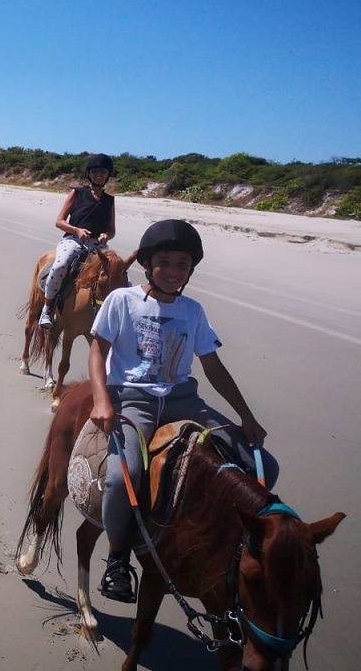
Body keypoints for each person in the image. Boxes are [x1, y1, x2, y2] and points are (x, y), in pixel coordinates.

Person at [88, 219, 278, 603]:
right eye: (165, 262)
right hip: (134, 398)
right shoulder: (121, 301)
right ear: (146, 264)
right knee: (122, 476)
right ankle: (117, 557)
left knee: (264, 467)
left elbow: (212, 366)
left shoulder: (193, 310)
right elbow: (98, 351)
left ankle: (227, 538)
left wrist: (246, 417)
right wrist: (102, 400)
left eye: (183, 265)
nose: (174, 272)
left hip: (183, 400)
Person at [39, 153, 116, 329]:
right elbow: (59, 221)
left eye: (103, 172)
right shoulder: (77, 193)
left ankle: (112, 312)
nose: (99, 175)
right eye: (95, 171)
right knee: (60, 266)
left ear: (107, 175)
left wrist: (106, 236)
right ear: (89, 173)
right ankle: (47, 308)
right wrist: (77, 230)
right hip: (74, 240)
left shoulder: (109, 200)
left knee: (118, 273)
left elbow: (111, 230)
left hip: (97, 244)